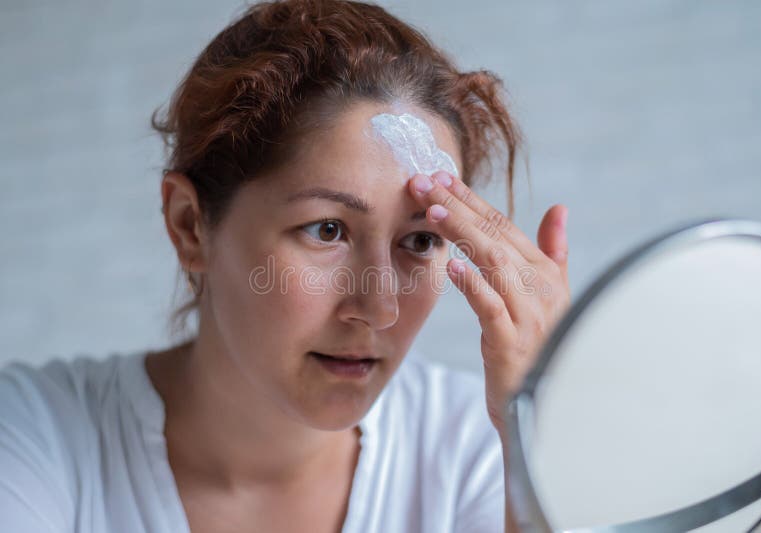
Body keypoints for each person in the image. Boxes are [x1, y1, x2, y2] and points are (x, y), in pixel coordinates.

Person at [0, 1, 571, 531]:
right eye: (327, 230)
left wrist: (539, 451)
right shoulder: (34, 439)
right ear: (189, 225)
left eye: (420, 240)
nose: (379, 309)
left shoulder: (481, 451)